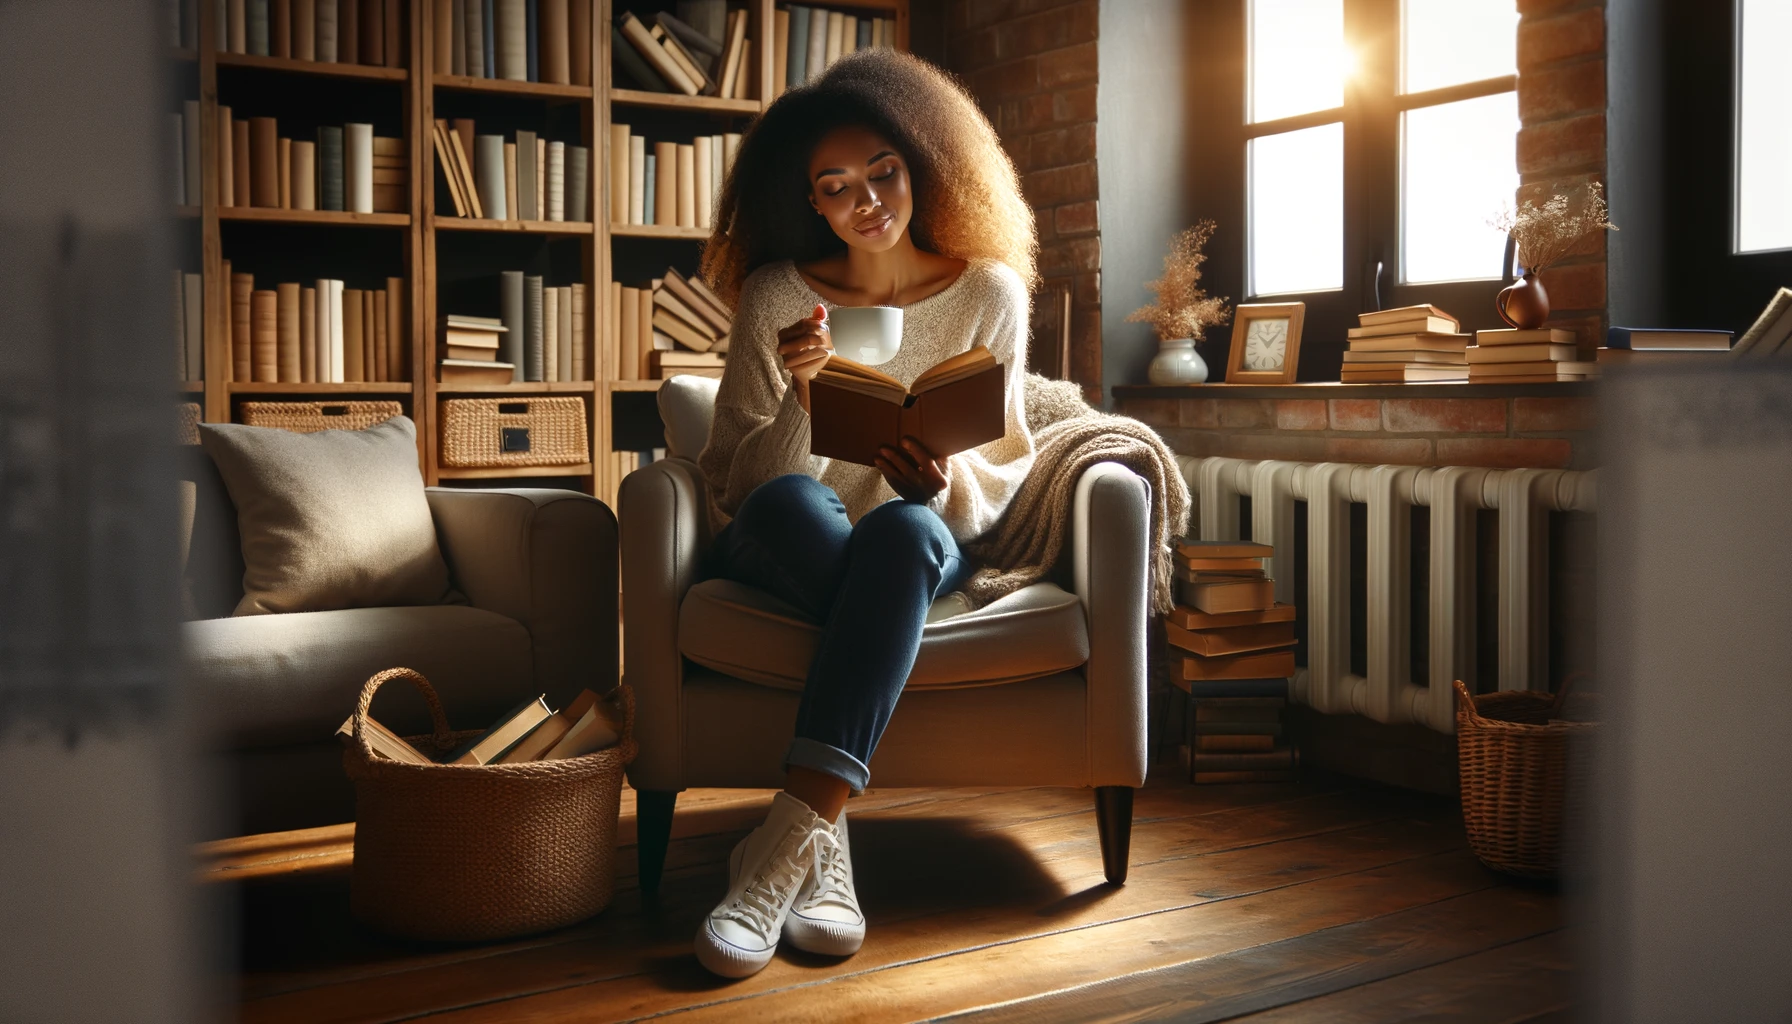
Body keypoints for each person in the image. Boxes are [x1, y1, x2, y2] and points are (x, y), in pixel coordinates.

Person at [689, 49, 1040, 978]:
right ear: (812, 203)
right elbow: (733, 476)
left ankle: (787, 846)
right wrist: (804, 402)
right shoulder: (776, 295)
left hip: (916, 542)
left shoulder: (989, 292)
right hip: (785, 531)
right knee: (802, 499)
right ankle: (819, 838)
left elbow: (1002, 460)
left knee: (906, 530)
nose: (868, 199)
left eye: (882, 170)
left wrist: (941, 484)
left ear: (921, 162)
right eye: (836, 187)